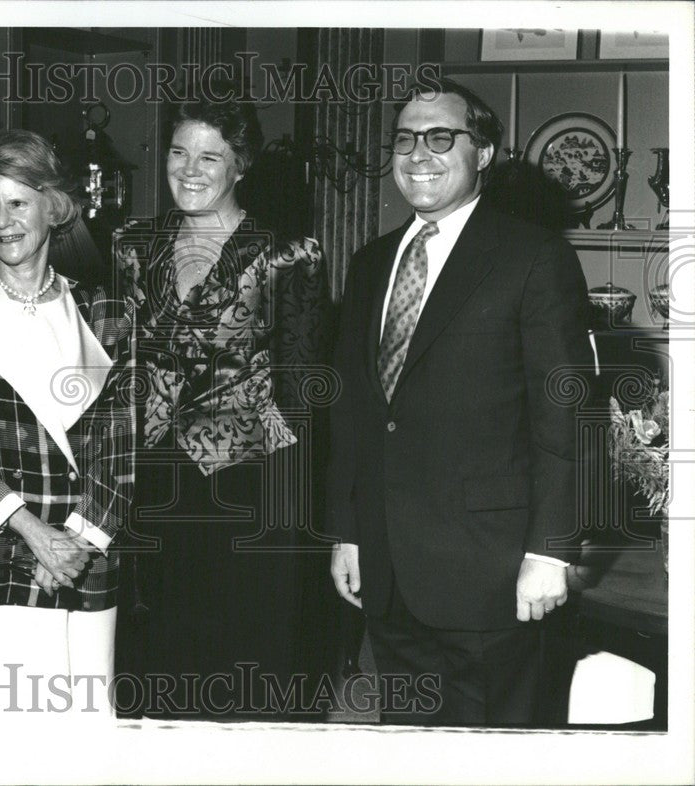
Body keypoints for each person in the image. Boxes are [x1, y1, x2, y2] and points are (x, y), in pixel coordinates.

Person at [327, 79, 593, 726]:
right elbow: (356, 416)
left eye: (442, 137)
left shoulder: (533, 257)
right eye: (405, 139)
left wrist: (553, 551)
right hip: (389, 570)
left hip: (491, 572)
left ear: (486, 152)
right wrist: (347, 532)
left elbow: (568, 417)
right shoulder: (370, 264)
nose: (420, 153)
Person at [115, 91, 330, 720]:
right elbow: (120, 360)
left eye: (211, 157)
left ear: (241, 166)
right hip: (150, 470)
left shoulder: (289, 254)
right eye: (179, 152)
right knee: (157, 643)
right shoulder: (133, 245)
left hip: (249, 478)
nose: (190, 170)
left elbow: (302, 386)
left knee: (245, 649)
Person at [0, 130, 136, 717]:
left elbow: (119, 449)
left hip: (84, 553)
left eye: (17, 203)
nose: (3, 222)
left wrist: (76, 543)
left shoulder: (105, 311)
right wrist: (36, 537)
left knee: (84, 732)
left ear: (53, 205)